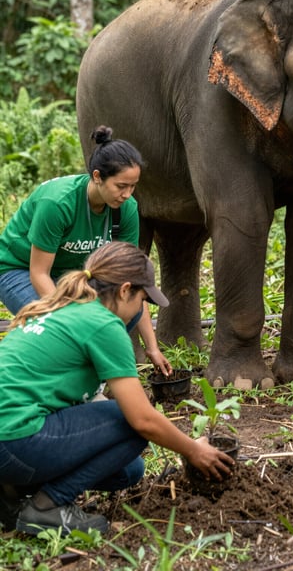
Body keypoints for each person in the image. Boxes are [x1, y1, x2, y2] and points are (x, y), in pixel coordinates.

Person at [0, 241, 233, 536]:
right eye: (142, 299)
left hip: (9, 440)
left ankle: (11, 494)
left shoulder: (60, 308)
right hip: (14, 439)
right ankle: (47, 507)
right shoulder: (104, 324)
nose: (141, 309)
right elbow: (143, 420)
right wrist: (192, 450)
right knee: (130, 423)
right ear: (125, 290)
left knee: (129, 471)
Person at [0, 125, 170, 375]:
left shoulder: (126, 209)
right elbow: (39, 274)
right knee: (59, 327)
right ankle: (56, 380)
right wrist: (75, 319)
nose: (127, 194)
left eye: (133, 186)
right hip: (20, 269)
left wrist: (152, 347)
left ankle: (95, 377)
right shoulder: (58, 204)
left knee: (126, 310)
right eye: (121, 186)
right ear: (98, 176)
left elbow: (132, 282)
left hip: (75, 274)